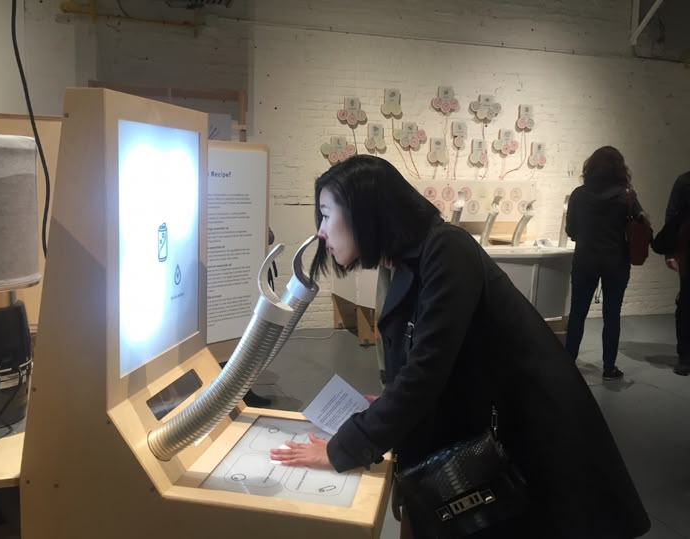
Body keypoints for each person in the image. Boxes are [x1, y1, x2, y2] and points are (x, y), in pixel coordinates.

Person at [269, 155, 650, 538]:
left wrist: (342, 449)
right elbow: (424, 363)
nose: (321, 231)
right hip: (478, 424)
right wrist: (383, 408)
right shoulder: (408, 262)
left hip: (531, 440)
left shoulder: (446, 250)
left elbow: (425, 373)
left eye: (326, 214)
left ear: (365, 211)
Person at [564, 146, 646, 380]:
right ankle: (609, 368)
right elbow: (640, 223)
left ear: (591, 167)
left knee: (578, 313)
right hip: (616, 262)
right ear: (620, 169)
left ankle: (569, 363)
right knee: (612, 316)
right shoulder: (627, 195)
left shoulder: (579, 194)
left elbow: (571, 230)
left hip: (585, 260)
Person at [652, 171, 690, 376]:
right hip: (687, 251)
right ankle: (685, 356)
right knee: (686, 303)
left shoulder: (683, 181)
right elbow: (672, 218)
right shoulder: (684, 181)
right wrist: (669, 252)